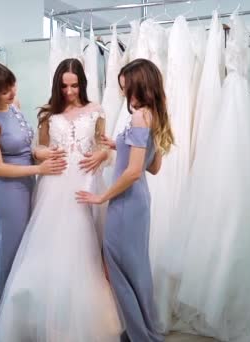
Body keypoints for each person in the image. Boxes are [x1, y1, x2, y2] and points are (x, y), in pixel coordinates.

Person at [0, 58, 121, 341]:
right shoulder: (48, 113)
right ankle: (42, 312)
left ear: (82, 84)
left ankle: (77, 315)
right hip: (54, 182)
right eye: (64, 86)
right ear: (57, 85)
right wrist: (40, 155)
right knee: (49, 245)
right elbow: (38, 148)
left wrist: (102, 153)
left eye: (74, 86)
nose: (70, 92)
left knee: (83, 245)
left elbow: (105, 147)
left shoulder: (97, 110)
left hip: (85, 181)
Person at [76, 58, 174, 342]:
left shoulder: (139, 116)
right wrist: (119, 143)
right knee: (137, 271)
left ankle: (140, 336)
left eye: (126, 88)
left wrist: (101, 197)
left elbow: (132, 172)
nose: (123, 94)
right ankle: (144, 332)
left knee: (120, 272)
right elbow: (152, 166)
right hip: (139, 203)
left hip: (126, 203)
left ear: (139, 86)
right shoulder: (155, 114)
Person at [0, 61, 66, 328]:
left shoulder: (16, 108)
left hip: (28, 183)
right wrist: (39, 167)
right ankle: (0, 317)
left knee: (29, 249)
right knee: (10, 252)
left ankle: (21, 312)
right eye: (4, 91)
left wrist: (41, 153)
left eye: (12, 85)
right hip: (8, 191)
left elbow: (27, 147)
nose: (12, 93)